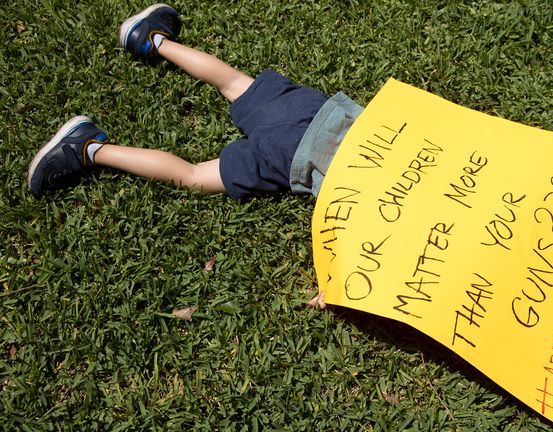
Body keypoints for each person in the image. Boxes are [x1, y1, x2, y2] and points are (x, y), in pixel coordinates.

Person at [27, 3, 338, 307]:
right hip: (294, 156)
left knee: (234, 82)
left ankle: (151, 38)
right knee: (195, 175)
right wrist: (334, 285)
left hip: (325, 115)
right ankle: (87, 148)